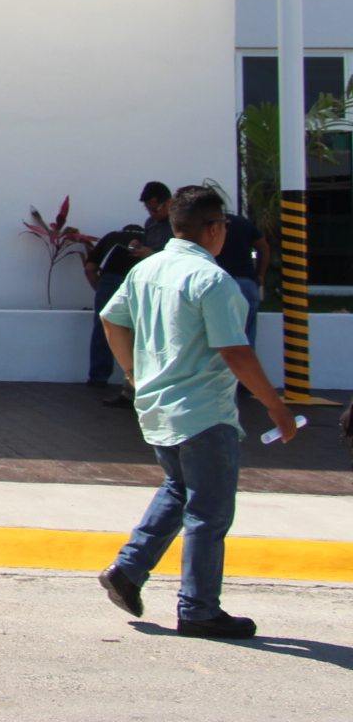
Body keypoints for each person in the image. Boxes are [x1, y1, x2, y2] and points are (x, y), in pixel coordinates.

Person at [97, 184, 297, 640]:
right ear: (215, 229)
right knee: (208, 512)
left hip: (158, 409)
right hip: (204, 413)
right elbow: (235, 351)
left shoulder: (147, 269)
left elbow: (111, 318)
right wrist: (276, 407)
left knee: (179, 490)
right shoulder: (213, 280)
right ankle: (199, 608)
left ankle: (128, 569)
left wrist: (132, 373)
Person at [82, 221, 145, 402]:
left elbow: (90, 268)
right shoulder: (149, 240)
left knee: (103, 327)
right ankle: (136, 380)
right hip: (140, 280)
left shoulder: (112, 237)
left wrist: (99, 289)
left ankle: (98, 377)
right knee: (140, 330)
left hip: (111, 280)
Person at [213, 209, 270, 347]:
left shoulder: (206, 227)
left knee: (222, 337)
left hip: (220, 284)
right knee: (247, 337)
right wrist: (260, 275)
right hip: (246, 283)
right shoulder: (242, 223)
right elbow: (263, 248)